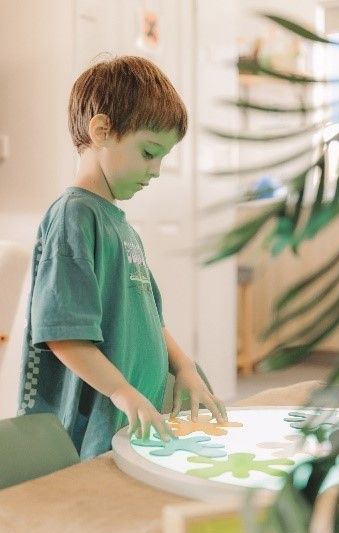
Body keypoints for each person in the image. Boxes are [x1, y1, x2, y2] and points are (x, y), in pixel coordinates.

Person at [17, 55, 227, 460]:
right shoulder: (74, 216)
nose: (157, 170)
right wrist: (121, 392)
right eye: (149, 152)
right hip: (92, 428)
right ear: (101, 131)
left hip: (126, 422)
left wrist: (183, 365)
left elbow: (149, 317)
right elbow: (63, 333)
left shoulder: (120, 225)